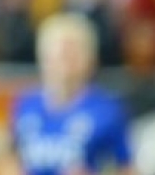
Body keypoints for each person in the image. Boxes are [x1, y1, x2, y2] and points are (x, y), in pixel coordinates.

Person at [8, 12, 135, 175]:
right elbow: (10, 158)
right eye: (58, 52)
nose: (64, 60)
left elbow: (127, 168)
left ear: (91, 59)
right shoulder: (25, 104)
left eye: (72, 52)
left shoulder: (108, 110)